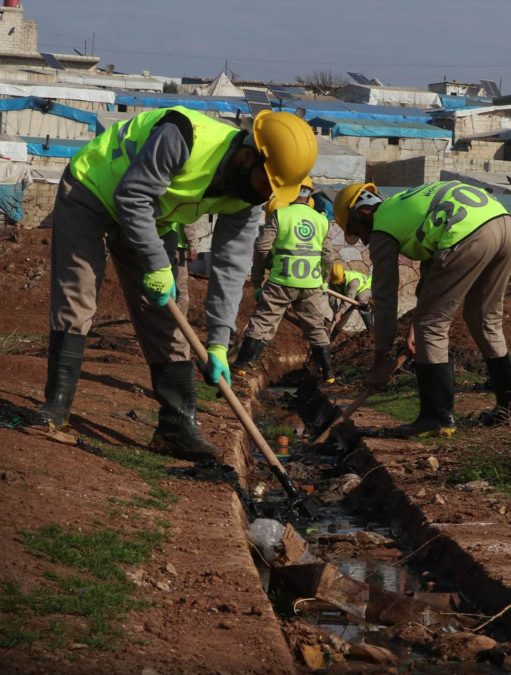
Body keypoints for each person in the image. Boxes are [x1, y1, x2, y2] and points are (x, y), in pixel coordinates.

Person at [41, 107, 317, 461]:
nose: (267, 195)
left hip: (153, 217)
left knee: (169, 320)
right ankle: (56, 409)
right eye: (270, 183)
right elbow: (132, 196)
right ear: (248, 158)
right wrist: (157, 264)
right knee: (77, 295)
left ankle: (175, 428)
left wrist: (219, 342)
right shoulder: (183, 135)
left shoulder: (248, 199)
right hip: (93, 189)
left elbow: (231, 266)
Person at [333, 181, 511, 437]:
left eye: (358, 232)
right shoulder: (405, 204)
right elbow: (431, 273)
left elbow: (384, 298)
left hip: (467, 233)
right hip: (504, 225)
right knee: (483, 318)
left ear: (364, 214)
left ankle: (436, 418)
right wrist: (414, 325)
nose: (363, 240)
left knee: (433, 325)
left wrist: (380, 364)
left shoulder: (382, 226)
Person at [233, 178, 337, 382]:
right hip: (311, 284)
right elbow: (328, 256)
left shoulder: (281, 215)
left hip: (282, 280)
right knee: (316, 326)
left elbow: (262, 247)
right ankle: (328, 374)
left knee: (263, 320)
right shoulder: (322, 220)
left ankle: (242, 365)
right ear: (310, 195)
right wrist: (323, 280)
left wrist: (271, 264)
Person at [328, 263, 374, 334]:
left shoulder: (353, 280)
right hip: (352, 295)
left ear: (344, 275)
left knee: (361, 299)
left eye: (340, 281)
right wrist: (336, 312)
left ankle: (371, 329)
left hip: (368, 286)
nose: (339, 284)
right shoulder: (333, 281)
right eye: (337, 282)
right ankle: (333, 336)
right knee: (342, 311)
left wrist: (339, 312)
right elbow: (332, 299)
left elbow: (349, 299)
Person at [170, 222, 198, 315]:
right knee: (180, 287)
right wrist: (192, 245)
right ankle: (180, 324)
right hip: (177, 246)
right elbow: (188, 222)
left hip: (157, 244)